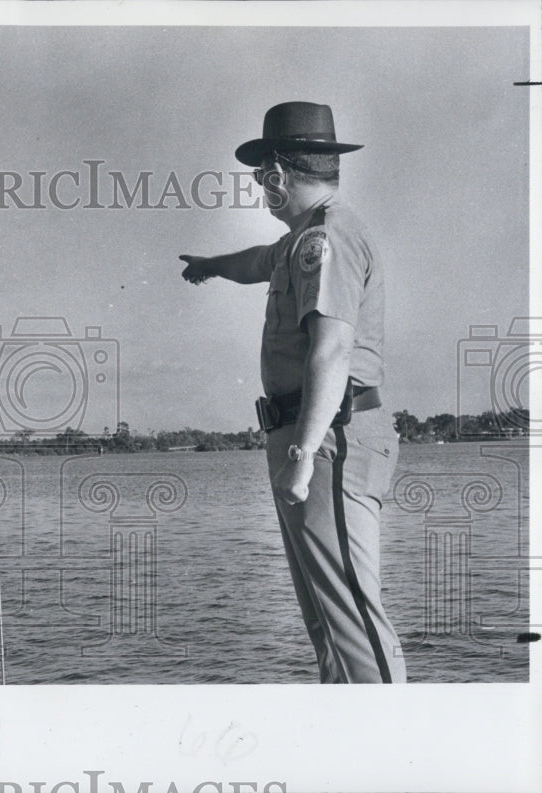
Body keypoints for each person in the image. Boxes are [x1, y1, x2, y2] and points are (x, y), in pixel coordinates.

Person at [180, 102, 406, 683]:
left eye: (261, 178)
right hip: (315, 438)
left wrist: (303, 458)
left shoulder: (325, 239)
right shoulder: (303, 241)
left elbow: (331, 349)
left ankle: (399, 754)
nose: (260, 189)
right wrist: (211, 265)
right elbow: (258, 262)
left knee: (351, 619)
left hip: (329, 440)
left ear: (278, 175)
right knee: (330, 625)